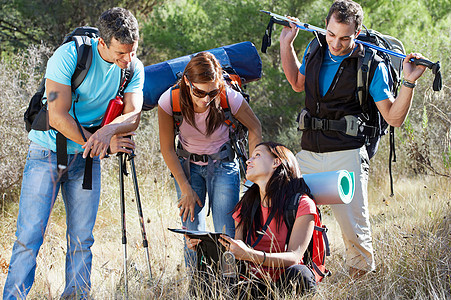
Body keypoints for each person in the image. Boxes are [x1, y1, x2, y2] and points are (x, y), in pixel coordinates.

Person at [279, 0, 428, 277]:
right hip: (309, 152)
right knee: (283, 211)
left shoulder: (371, 65)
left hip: (347, 154)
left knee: (355, 234)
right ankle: (298, 275)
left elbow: (394, 117)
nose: (336, 43)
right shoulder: (315, 50)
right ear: (325, 26)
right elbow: (297, 83)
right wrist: (286, 44)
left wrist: (409, 82)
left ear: (357, 33)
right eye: (332, 34)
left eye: (345, 37)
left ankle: (360, 287)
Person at [3, 7, 144, 299]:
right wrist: (103, 141)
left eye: (132, 51)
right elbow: (57, 116)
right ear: (102, 43)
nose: (127, 60)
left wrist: (106, 135)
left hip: (87, 160)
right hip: (48, 152)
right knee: (29, 237)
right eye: (120, 53)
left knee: (82, 239)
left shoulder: (133, 67)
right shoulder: (68, 56)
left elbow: (133, 115)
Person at [158, 51, 262, 269]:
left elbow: (255, 128)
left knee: (227, 232)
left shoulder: (229, 97)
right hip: (187, 168)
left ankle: (230, 282)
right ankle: (198, 282)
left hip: (223, 165)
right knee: (192, 233)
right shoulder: (169, 100)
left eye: (212, 92)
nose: (206, 99)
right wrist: (185, 188)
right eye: (199, 92)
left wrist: (254, 172)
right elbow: (167, 149)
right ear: (187, 82)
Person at [210, 142, 316, 298]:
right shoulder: (245, 206)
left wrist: (250, 255)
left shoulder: (301, 204)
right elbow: (236, 257)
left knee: (300, 273)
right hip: (251, 283)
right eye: (251, 156)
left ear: (276, 162)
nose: (248, 160)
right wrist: (204, 249)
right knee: (209, 276)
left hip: (285, 284)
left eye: (257, 155)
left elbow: (294, 257)